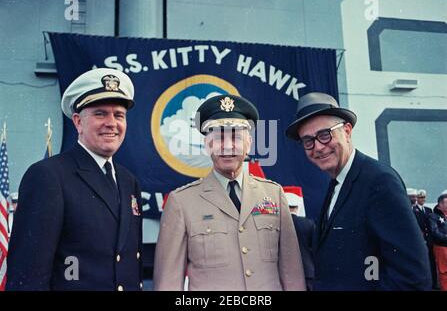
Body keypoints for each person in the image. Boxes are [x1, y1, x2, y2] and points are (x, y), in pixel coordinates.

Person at [6, 68, 143, 291]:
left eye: (119, 115)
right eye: (100, 114)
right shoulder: (48, 176)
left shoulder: (129, 182)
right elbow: (28, 275)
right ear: (78, 122)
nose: (111, 123)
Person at [153, 94, 306, 291]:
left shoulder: (274, 194)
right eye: (218, 138)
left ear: (249, 143)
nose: (227, 146)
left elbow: (292, 274)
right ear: (207, 145)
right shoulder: (181, 202)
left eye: (236, 137)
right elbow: (168, 282)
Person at [285, 92, 431, 290]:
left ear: (347, 131)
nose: (318, 147)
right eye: (308, 141)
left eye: (325, 135)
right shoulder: (337, 184)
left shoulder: (379, 182)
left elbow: (412, 275)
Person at [285, 187, 316, 290]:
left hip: (288, 275)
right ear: (297, 207)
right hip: (308, 272)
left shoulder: (279, 225)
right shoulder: (309, 224)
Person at [413, 189, 437, 288]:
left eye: (424, 197)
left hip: (429, 240)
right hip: (421, 239)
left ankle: (434, 283)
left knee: (432, 261)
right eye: (420, 197)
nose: (422, 199)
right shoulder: (414, 210)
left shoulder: (428, 210)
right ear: (417, 199)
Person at [428, 194, 447, 290]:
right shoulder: (433, 216)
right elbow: (434, 232)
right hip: (441, 247)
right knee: (444, 271)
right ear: (440, 204)